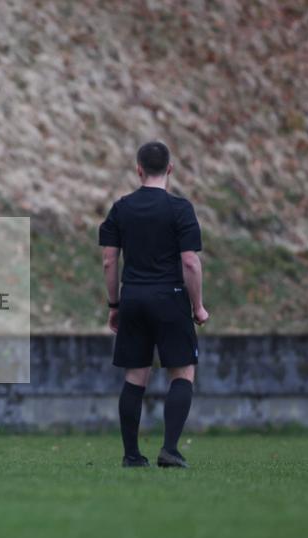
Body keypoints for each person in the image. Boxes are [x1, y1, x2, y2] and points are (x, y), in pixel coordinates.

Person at [99, 141, 210, 468]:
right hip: (170, 297)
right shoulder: (180, 209)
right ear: (170, 169)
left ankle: (132, 455)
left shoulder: (121, 208)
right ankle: (170, 449)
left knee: (135, 376)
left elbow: (109, 260)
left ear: (138, 170)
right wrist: (198, 306)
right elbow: (190, 262)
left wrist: (114, 303)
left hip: (133, 296)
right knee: (183, 372)